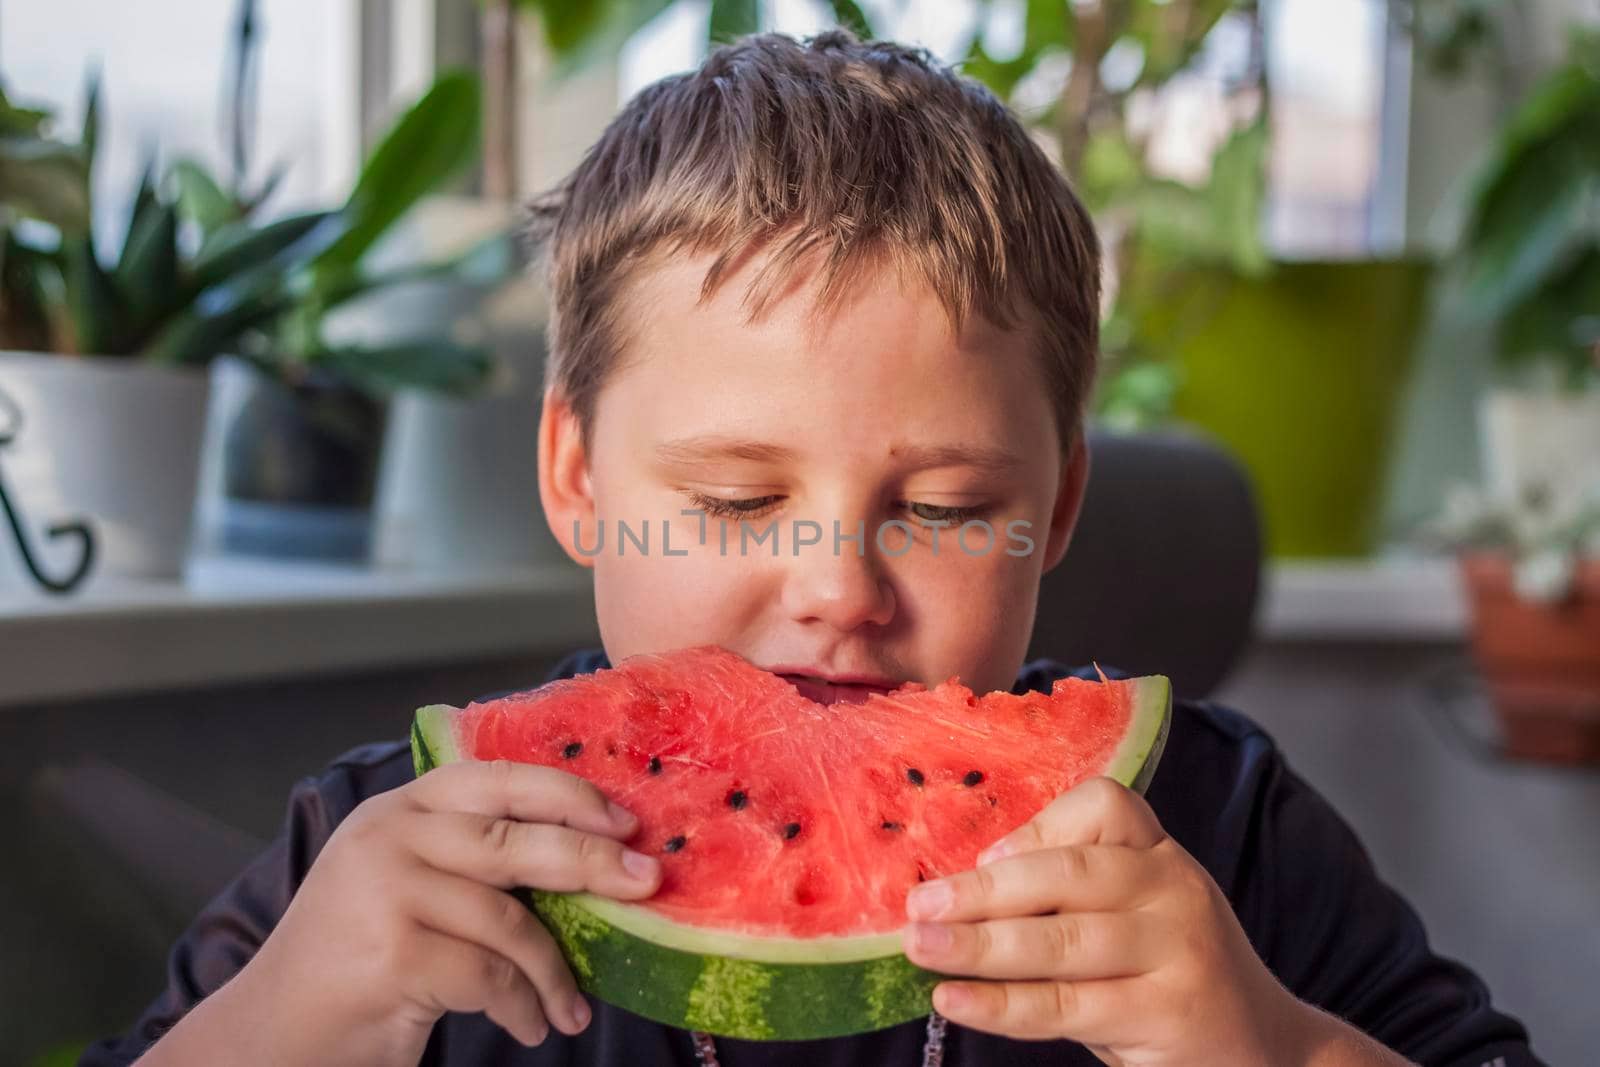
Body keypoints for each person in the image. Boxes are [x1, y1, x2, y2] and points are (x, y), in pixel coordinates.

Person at [87, 30, 1542, 1067]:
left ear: (1061, 503)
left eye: (953, 507)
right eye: (731, 501)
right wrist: (293, 1022)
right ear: (576, 475)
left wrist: (1271, 1050)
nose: (841, 590)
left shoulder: (1222, 838)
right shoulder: (396, 859)